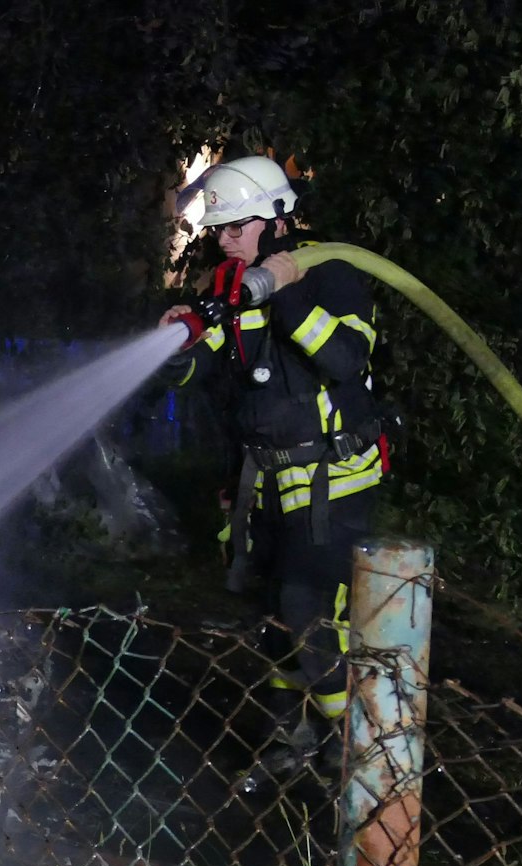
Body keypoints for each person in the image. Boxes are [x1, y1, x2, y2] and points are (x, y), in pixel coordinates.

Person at [160, 155, 387, 775]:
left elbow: (343, 360)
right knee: (272, 623)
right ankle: (294, 741)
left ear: (280, 218)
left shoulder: (330, 273)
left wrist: (285, 295)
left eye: (238, 227)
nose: (226, 239)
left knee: (307, 611)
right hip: (265, 483)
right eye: (220, 230)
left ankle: (363, 754)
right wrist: (173, 345)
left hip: (332, 481)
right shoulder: (230, 284)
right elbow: (208, 369)